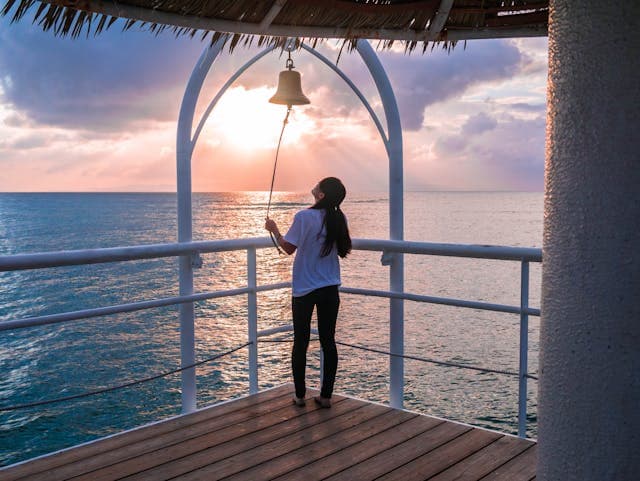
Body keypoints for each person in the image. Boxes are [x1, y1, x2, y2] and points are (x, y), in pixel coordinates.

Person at [265, 177, 352, 408]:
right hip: (330, 286)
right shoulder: (338, 217)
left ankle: (300, 396)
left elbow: (288, 248)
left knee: (300, 342)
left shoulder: (304, 217)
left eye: (320, 185)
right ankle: (325, 397)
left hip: (305, 288)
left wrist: (274, 230)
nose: (315, 185)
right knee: (328, 341)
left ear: (321, 195)